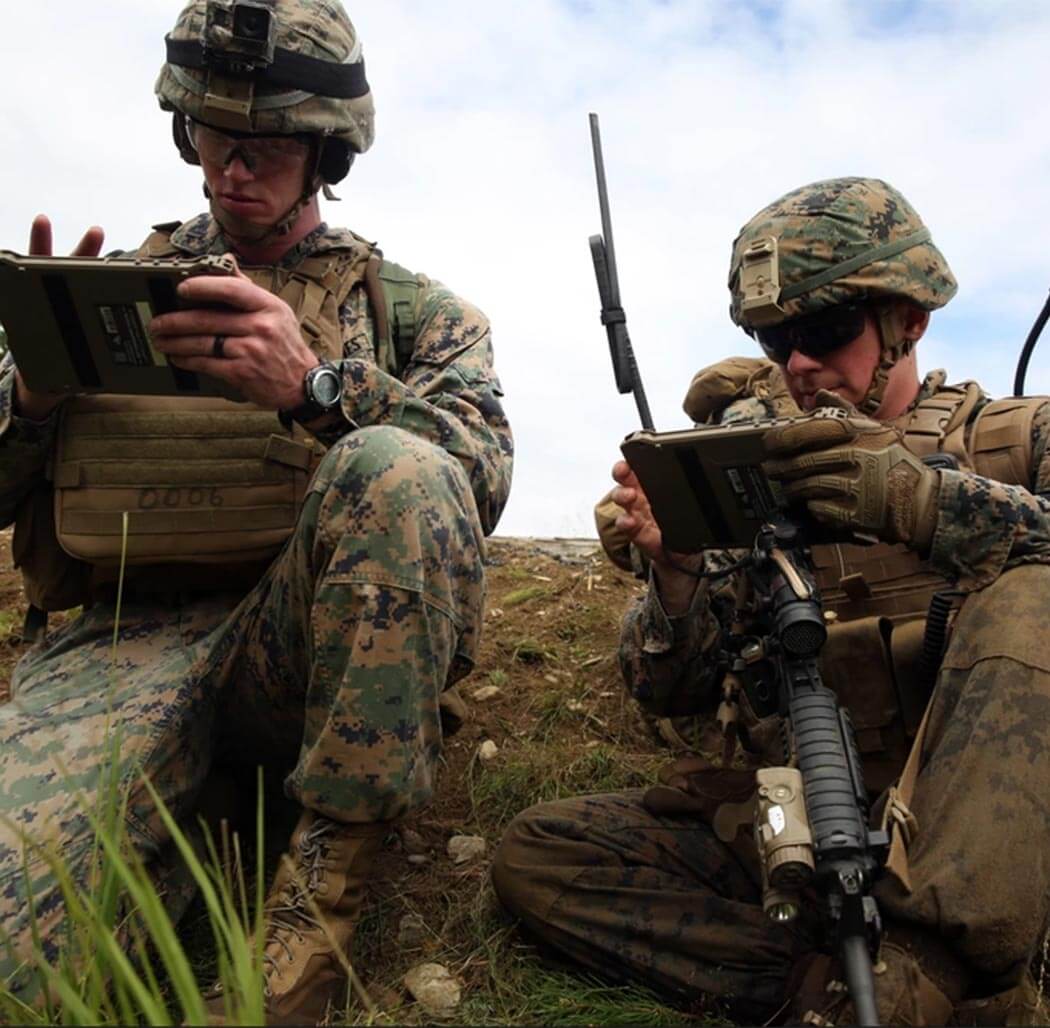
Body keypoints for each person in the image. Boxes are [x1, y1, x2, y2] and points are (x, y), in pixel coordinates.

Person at [0, 1, 513, 1022]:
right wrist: (34, 395)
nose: (235, 165)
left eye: (268, 142)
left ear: (325, 150)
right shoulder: (103, 291)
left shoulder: (415, 312)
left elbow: (474, 477)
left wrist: (321, 388)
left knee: (395, 465)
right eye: (213, 133)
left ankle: (316, 913)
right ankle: (205, 804)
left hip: (309, 645)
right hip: (115, 645)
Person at [492, 176, 1050, 1025]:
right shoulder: (745, 475)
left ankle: (927, 967)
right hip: (801, 832)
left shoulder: (1017, 439)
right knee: (543, 854)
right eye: (774, 336)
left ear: (909, 321)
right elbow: (667, 693)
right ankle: (850, 990)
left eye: (824, 331)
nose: (796, 363)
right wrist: (676, 570)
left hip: (982, 836)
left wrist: (925, 505)